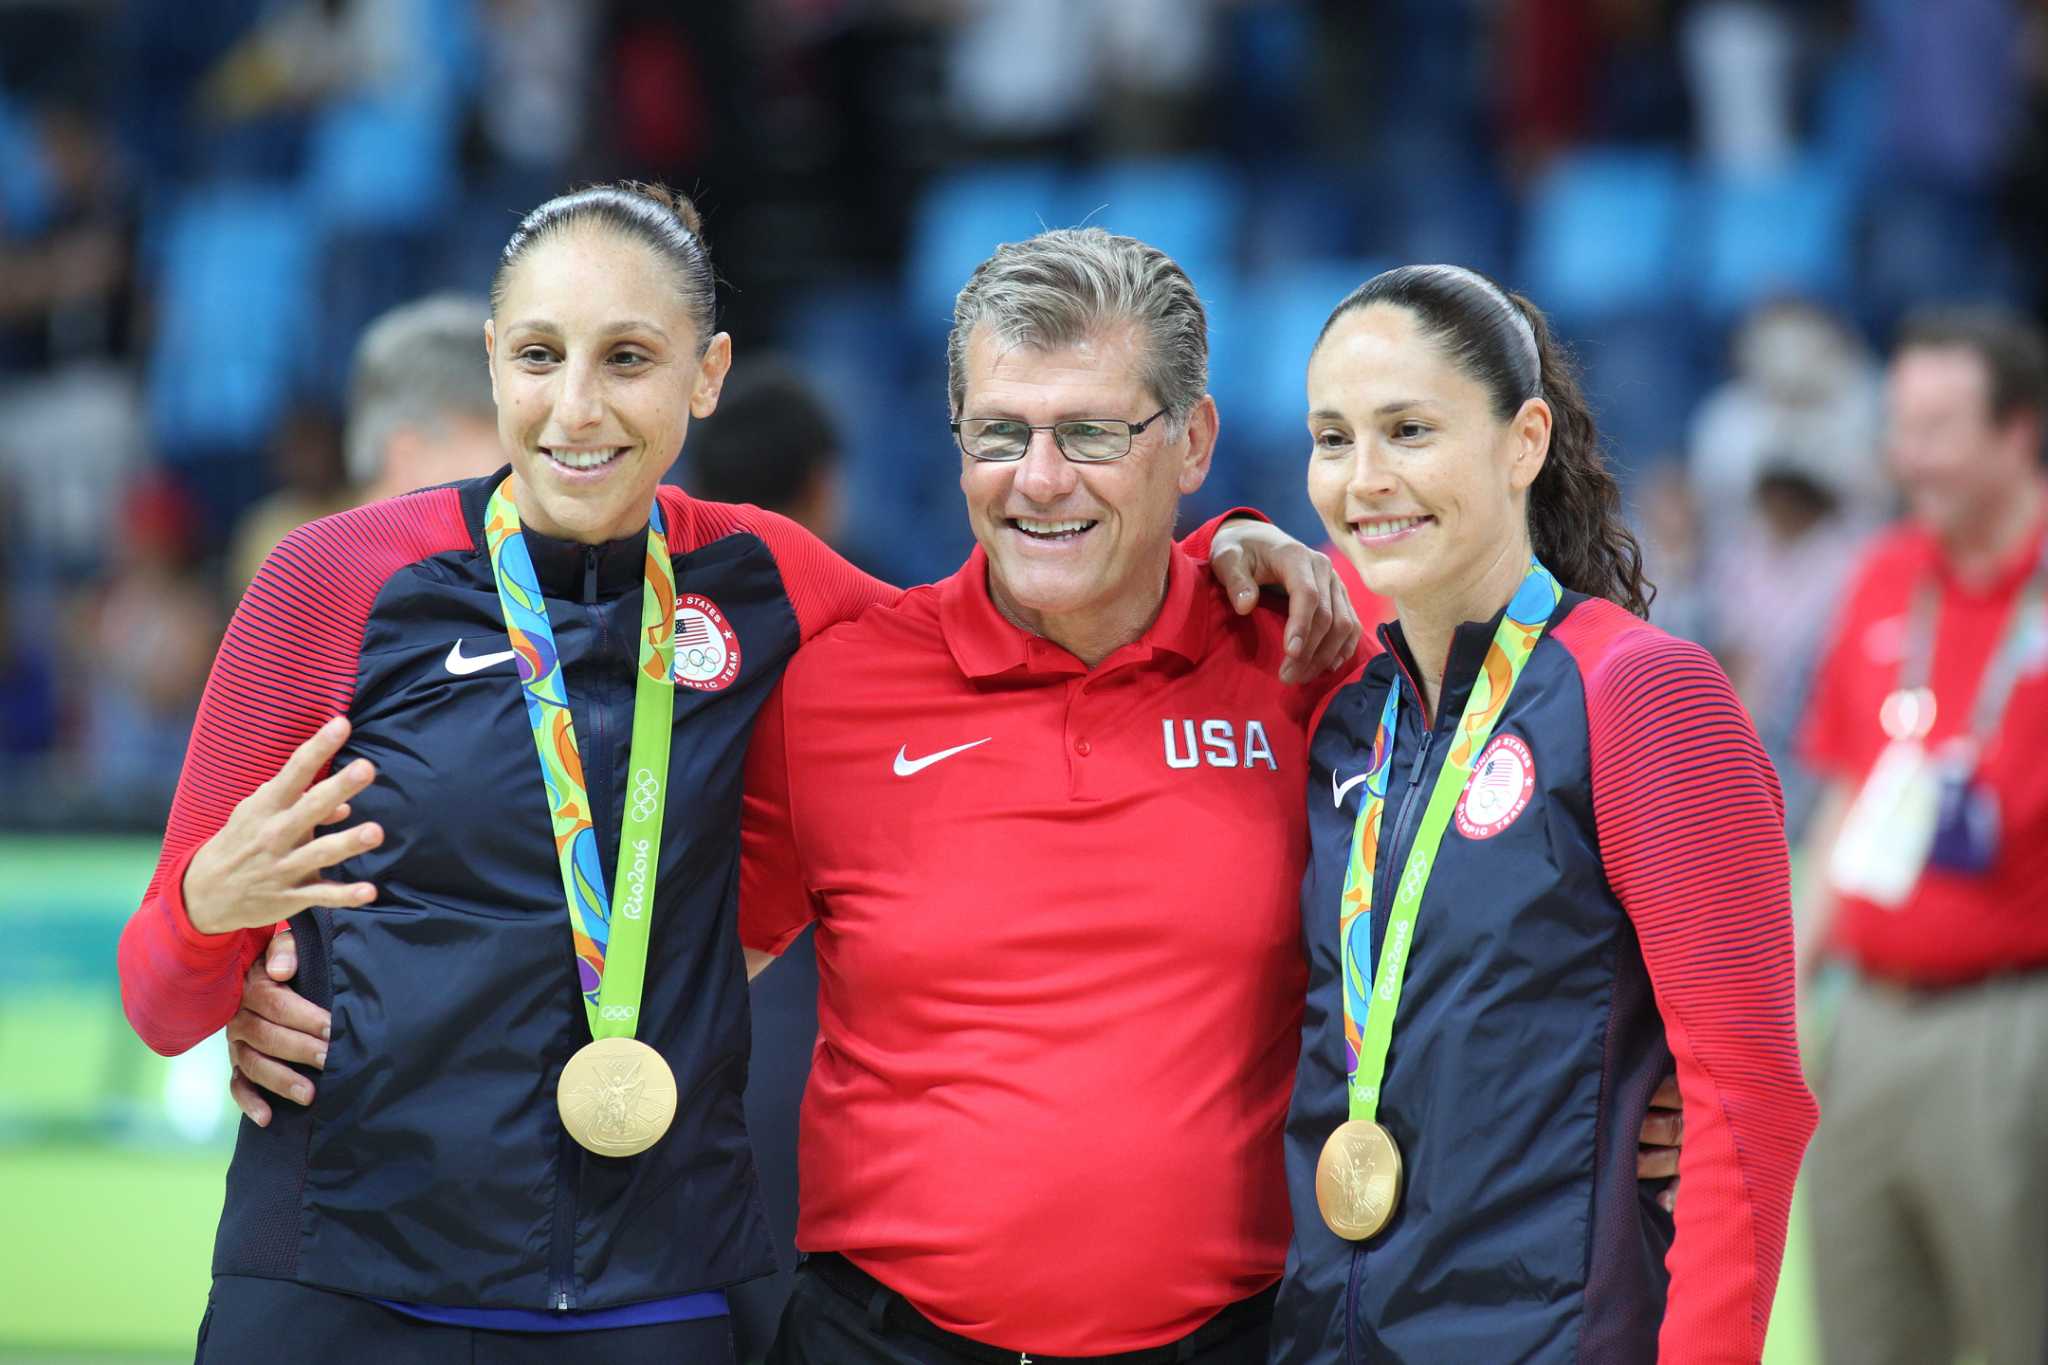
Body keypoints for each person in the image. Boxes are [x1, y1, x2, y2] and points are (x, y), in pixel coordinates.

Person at [119, 184, 1346, 1360]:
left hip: (648, 1290)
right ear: (492, 360)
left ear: (705, 375)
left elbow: (1024, 608)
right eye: (540, 356)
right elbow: (160, 996)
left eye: (630, 358)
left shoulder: (773, 583)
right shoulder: (334, 579)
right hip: (343, 1278)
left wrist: (1221, 545)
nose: (579, 408)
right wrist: (211, 937)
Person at [737, 232, 1683, 1362]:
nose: (1039, 478)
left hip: (1239, 1340)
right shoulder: (834, 690)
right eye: (1000, 433)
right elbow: (669, 977)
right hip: (879, 1342)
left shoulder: (1313, 667)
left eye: (1090, 432)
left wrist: (1642, 1077)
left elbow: (1528, 894)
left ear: (1191, 442)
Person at [1273, 265, 1816, 1362]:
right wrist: (1240, 536)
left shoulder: (1641, 694)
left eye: (1408, 430)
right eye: (1331, 439)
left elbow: (1743, 1101)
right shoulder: (1348, 717)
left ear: (1522, 441)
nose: (1363, 479)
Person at [1798, 308, 2048, 1365]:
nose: (1909, 459)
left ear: (2017, 433)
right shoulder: (1881, 576)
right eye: (1899, 428)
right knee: (1859, 1331)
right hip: (1863, 1024)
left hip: (2015, 1026)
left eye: (1938, 430)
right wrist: (1773, 1005)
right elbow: (1846, 801)